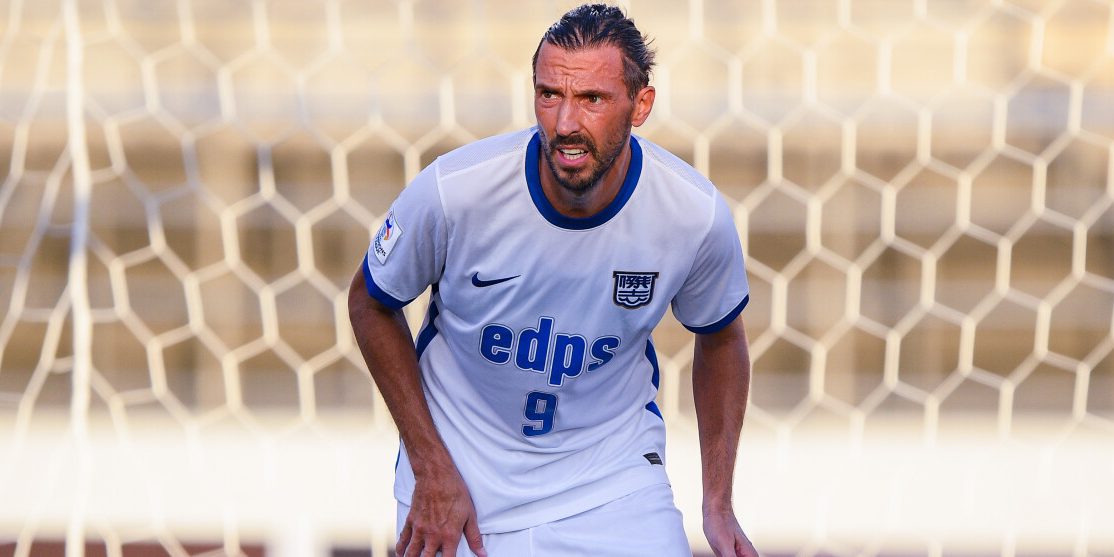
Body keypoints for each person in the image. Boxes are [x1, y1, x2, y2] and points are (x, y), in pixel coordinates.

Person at [348, 4, 758, 556]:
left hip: (610, 482)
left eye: (592, 99)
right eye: (549, 95)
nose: (566, 124)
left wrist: (718, 503)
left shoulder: (693, 214)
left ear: (641, 105)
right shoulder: (456, 190)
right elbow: (369, 301)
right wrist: (430, 467)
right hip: (460, 484)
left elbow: (722, 338)